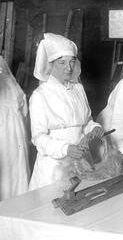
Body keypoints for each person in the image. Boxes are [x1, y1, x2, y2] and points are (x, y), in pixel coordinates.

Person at [29, 33, 103, 190]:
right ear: (50, 64)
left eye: (72, 61)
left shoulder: (78, 88)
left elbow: (86, 121)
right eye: (62, 62)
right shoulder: (40, 95)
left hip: (82, 160)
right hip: (54, 167)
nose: (68, 68)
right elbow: (38, 138)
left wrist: (94, 128)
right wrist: (66, 149)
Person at [0, 56, 30, 200]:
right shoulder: (13, 85)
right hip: (13, 136)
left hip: (13, 138)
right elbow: (25, 111)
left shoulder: (11, 85)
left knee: (12, 175)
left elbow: (24, 110)